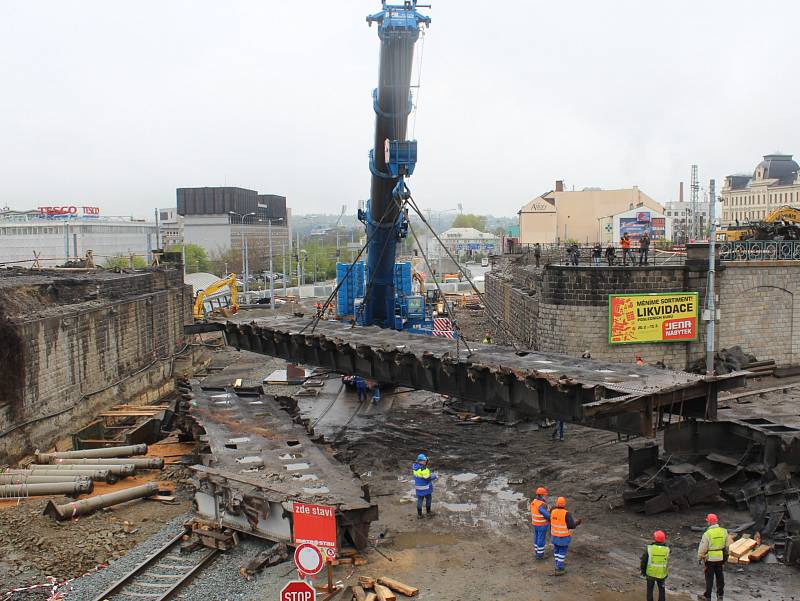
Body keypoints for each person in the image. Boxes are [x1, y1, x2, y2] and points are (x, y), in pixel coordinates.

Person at [545, 496, 581, 575]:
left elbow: (550, 521)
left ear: (557, 503)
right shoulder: (566, 513)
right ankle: (560, 568)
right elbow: (571, 526)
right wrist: (577, 523)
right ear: (564, 504)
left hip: (554, 536)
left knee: (556, 551)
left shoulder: (553, 512)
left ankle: (558, 564)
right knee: (562, 551)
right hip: (563, 538)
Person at [697, 513, 728, 601]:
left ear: (709, 522)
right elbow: (727, 546)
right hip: (720, 558)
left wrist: (700, 557)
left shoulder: (707, 534)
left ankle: (707, 596)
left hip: (710, 559)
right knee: (720, 577)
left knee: (709, 578)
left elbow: (703, 548)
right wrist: (725, 557)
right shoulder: (724, 531)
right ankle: (720, 595)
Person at [641, 530, 669, 601]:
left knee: (650, 591)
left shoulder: (650, 548)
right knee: (662, 591)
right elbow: (666, 562)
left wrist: (643, 571)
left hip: (650, 574)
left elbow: (644, 561)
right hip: (661, 574)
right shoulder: (667, 549)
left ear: (654, 538)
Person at [412, 453, 437, 518]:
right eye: (424, 461)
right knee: (429, 499)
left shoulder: (415, 467)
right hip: (426, 488)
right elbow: (428, 478)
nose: (426, 462)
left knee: (420, 500)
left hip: (418, 488)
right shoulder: (424, 470)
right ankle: (428, 512)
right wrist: (434, 476)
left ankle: (419, 514)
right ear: (420, 461)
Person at [530, 487, 550, 560]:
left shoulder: (534, 502)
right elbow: (547, 515)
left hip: (535, 523)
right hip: (542, 525)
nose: (546, 496)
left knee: (536, 537)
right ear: (542, 495)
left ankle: (536, 551)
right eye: (545, 495)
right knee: (541, 539)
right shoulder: (541, 505)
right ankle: (540, 555)